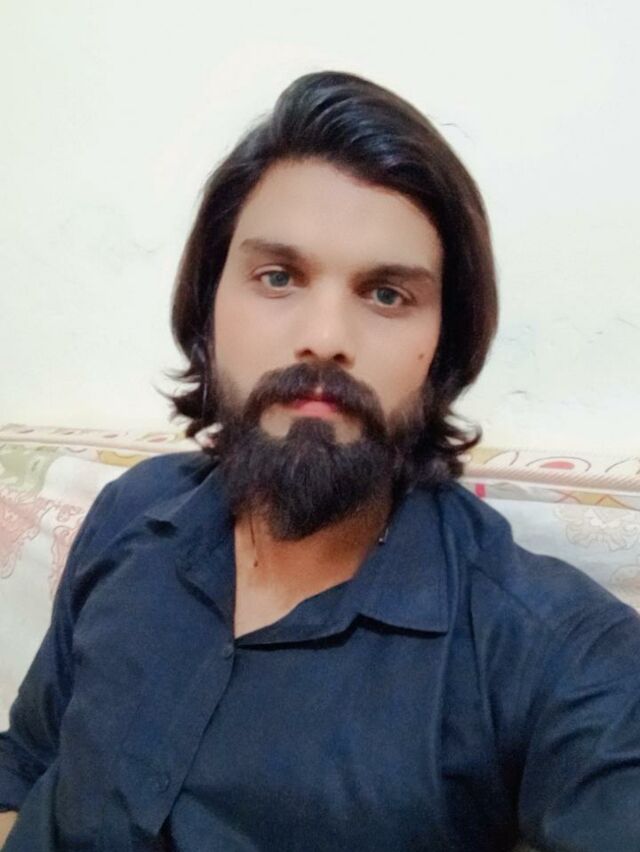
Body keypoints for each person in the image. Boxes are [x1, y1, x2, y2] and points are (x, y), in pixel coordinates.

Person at [1, 70, 639, 852]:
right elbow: (26, 765)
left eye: (387, 294)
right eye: (278, 277)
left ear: (443, 352)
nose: (325, 336)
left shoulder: (551, 650)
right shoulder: (133, 512)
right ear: (208, 310)